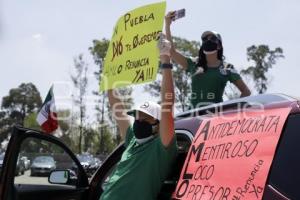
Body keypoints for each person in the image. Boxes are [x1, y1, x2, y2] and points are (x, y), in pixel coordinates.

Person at [100, 36, 177, 200]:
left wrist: (165, 59)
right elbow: (117, 108)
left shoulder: (161, 147)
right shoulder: (132, 140)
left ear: (158, 125)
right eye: (137, 119)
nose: (139, 123)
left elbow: (167, 105)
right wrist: (109, 76)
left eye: (145, 119)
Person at [165, 11, 251, 108]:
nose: (208, 41)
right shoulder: (194, 63)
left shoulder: (228, 68)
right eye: (205, 39)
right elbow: (171, 52)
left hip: (216, 118)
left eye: (212, 39)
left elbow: (246, 92)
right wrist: (167, 25)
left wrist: (231, 110)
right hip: (193, 116)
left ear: (219, 46)